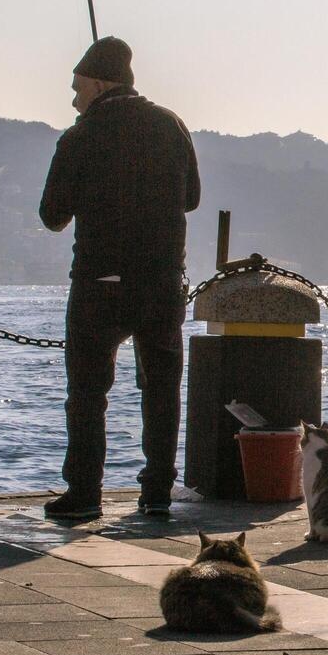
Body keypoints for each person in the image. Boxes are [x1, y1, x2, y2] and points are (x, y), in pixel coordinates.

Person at [39, 37, 201, 520]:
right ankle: (156, 492)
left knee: (88, 393)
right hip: (162, 283)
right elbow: (191, 198)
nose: (73, 99)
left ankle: (85, 494)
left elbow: (52, 215)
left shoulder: (80, 136)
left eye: (77, 88)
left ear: (98, 82)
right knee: (161, 388)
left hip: (100, 284)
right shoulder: (171, 125)